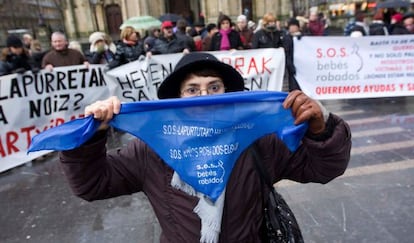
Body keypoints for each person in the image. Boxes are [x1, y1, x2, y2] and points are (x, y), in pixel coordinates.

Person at [59, 52, 351, 242]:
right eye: (192, 90)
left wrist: (321, 126)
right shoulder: (151, 150)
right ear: (177, 98)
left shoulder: (256, 141)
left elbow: (324, 168)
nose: (205, 96)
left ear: (227, 93)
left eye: (214, 87)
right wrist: (90, 137)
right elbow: (92, 185)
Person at [252, 13, 299, 91]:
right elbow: (254, 49)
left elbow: (283, 45)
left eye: (273, 21)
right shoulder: (258, 34)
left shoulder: (278, 33)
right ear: (265, 23)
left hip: (276, 63)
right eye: (270, 22)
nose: (272, 24)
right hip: (264, 64)